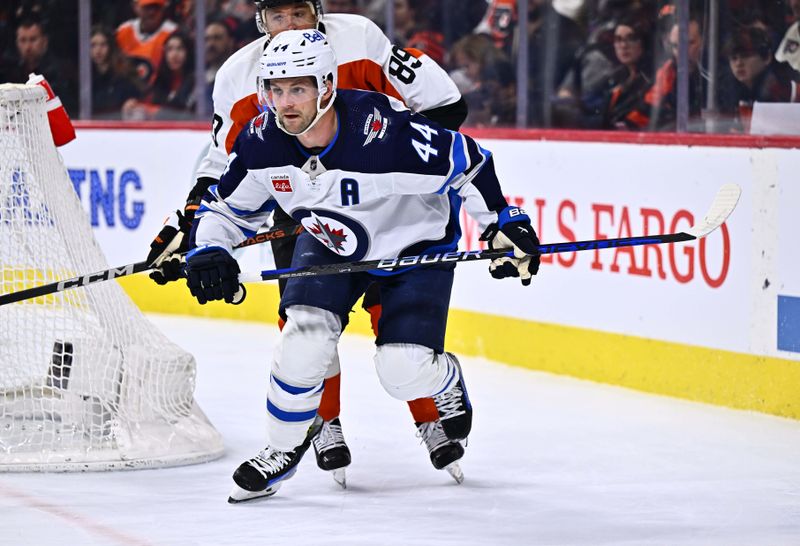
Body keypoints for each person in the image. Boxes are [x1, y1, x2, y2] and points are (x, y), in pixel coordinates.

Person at [183, 30, 540, 502]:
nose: (285, 102)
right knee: (302, 341)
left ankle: (446, 379)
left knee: (403, 369)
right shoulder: (262, 141)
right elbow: (226, 210)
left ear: (327, 85)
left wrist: (503, 222)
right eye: (275, 89)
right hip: (330, 243)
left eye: (299, 88)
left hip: (413, 249)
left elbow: (468, 161)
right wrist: (210, 248)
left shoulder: (386, 133)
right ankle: (279, 449)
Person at [145, 0, 469, 487]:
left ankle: (429, 415)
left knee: (395, 318)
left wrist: (377, 175)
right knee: (306, 323)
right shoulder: (238, 74)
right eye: (279, 18)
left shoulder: (357, 36)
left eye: (299, 13)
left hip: (382, 196)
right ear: (262, 22)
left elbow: (446, 107)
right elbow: (224, 169)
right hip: (300, 200)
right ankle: (320, 424)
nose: (291, 25)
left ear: (317, 11)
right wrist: (191, 230)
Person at [623, 16, 705, 131]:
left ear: (703, 41)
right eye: (676, 46)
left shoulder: (717, 75)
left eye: (689, 43)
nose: (681, 52)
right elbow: (643, 112)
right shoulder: (666, 74)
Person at [724, 26, 799, 132]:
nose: (738, 63)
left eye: (746, 56)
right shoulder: (732, 89)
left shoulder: (786, 86)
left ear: (767, 57)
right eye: (733, 58)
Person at [7, 16, 77, 115]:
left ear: (44, 41)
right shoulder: (9, 72)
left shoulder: (62, 71)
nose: (28, 47)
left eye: (33, 39)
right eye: (23, 40)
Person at [122, 32, 196, 120]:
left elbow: (180, 112)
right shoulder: (159, 80)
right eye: (169, 49)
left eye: (180, 49)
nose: (174, 55)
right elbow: (148, 101)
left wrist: (150, 110)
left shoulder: (196, 81)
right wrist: (135, 104)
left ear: (189, 52)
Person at [116, 0, 178, 89]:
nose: (152, 12)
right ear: (135, 7)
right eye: (147, 7)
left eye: (156, 7)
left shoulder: (172, 33)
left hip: (159, 93)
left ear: (163, 8)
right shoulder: (123, 31)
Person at [90, 25, 142, 119]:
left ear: (111, 47)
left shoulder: (124, 76)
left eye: (103, 45)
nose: (98, 50)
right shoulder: (85, 78)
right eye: (93, 45)